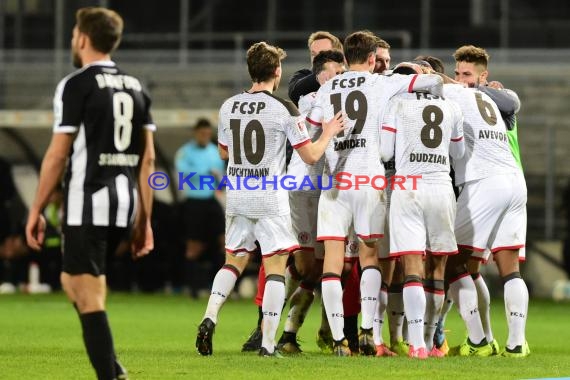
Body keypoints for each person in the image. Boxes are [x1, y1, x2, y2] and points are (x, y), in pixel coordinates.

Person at [25, 7, 156, 379]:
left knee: (88, 294)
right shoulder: (137, 87)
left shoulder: (75, 84)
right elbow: (147, 161)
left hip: (88, 204)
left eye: (73, 35)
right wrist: (144, 221)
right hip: (123, 206)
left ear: (82, 38)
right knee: (74, 282)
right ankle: (112, 365)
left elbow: (57, 153)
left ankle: (111, 375)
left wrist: (36, 209)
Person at [195, 41, 345, 357]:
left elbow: (223, 151)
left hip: (237, 194)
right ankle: (266, 343)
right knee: (275, 266)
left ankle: (209, 317)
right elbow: (310, 154)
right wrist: (329, 131)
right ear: (277, 72)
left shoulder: (228, 106)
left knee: (233, 260)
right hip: (269, 194)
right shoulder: (284, 108)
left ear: (252, 71)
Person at [311, 30, 444, 356]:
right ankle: (369, 331)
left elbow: (312, 127)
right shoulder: (382, 82)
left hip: (334, 182)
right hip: (368, 179)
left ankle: (340, 338)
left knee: (333, 258)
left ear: (345, 58)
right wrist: (418, 70)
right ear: (372, 59)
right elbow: (430, 85)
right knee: (369, 255)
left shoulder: (326, 87)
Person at [443, 45, 529, 358]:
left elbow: (435, 84)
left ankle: (478, 341)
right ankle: (515, 344)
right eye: (457, 73)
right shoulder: (495, 101)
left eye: (466, 74)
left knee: (449, 257)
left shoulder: (465, 96)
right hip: (514, 183)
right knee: (509, 269)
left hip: (486, 182)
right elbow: (512, 102)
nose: (460, 79)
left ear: (483, 75)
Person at [380, 62, 465, 358]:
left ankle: (415, 344)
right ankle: (431, 342)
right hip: (441, 186)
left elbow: (385, 152)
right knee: (438, 268)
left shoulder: (397, 104)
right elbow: (459, 153)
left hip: (408, 187)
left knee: (412, 266)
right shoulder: (450, 106)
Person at [275, 49, 346, 354]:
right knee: (306, 265)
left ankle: (288, 335)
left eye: (342, 73)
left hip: (326, 189)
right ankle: (268, 318)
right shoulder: (310, 101)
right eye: (334, 73)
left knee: (318, 268)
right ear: (320, 76)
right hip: (303, 185)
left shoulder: (335, 98)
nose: (340, 79)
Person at [175, 117, 226, 297]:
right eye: (201, 133)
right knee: (193, 247)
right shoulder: (185, 152)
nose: (204, 136)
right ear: (195, 133)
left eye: (207, 133)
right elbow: (182, 173)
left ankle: (221, 288)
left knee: (223, 241)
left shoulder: (215, 151)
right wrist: (205, 172)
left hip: (211, 200)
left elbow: (221, 178)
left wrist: (220, 180)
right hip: (194, 201)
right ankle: (193, 289)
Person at [288, 31, 344, 107]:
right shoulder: (303, 75)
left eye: (323, 54)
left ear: (337, 53)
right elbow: (294, 93)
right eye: (313, 54)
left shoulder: (348, 76)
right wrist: (318, 77)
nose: (316, 58)